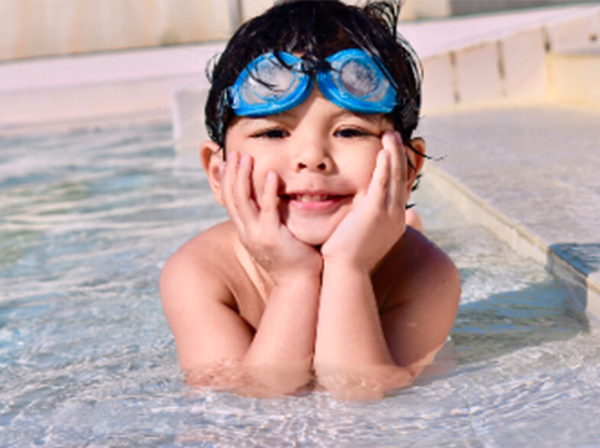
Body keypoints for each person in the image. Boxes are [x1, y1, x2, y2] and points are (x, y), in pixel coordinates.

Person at [160, 0, 460, 399]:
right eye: (273, 133)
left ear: (406, 169)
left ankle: (406, 224)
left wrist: (349, 268)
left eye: (350, 131)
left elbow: (361, 394)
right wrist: (295, 279)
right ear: (218, 173)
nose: (311, 157)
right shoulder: (201, 273)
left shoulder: (425, 273)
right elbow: (247, 407)